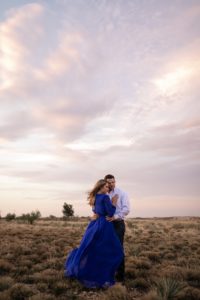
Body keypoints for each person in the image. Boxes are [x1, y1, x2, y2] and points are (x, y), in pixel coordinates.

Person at [64, 179, 124, 288]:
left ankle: (94, 272)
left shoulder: (95, 196)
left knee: (93, 249)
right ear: (101, 187)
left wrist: (96, 215)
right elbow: (110, 212)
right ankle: (102, 275)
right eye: (106, 187)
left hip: (95, 224)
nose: (108, 188)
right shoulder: (105, 197)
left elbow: (95, 211)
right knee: (115, 250)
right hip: (104, 225)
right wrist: (114, 202)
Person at [104, 174, 130, 283]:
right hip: (105, 224)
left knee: (118, 248)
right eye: (109, 182)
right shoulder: (102, 193)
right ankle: (107, 274)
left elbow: (126, 209)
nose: (111, 184)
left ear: (115, 182)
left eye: (113, 182)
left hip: (118, 224)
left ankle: (120, 276)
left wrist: (115, 217)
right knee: (105, 249)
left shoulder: (122, 193)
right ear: (105, 183)